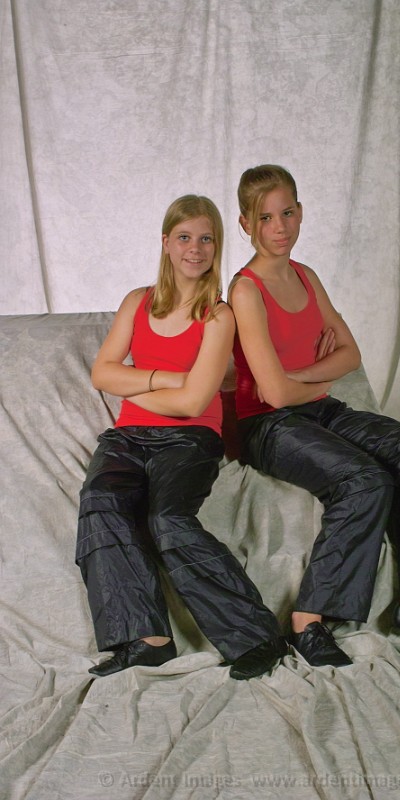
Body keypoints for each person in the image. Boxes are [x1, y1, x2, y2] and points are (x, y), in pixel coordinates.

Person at [228, 165, 400, 668]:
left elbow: (350, 354)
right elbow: (274, 395)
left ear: (301, 212)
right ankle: (308, 620)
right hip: (267, 425)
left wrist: (301, 376)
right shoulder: (246, 291)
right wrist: (309, 377)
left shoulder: (307, 276)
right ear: (245, 224)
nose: (279, 227)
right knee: (365, 479)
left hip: (320, 409)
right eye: (265, 218)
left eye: (287, 213)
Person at [76, 194, 287, 680]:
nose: (195, 248)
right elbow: (102, 374)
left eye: (206, 239)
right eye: (185, 237)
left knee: (167, 518)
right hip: (127, 438)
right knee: (102, 502)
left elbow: (193, 404)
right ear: (166, 242)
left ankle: (257, 637)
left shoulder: (218, 316)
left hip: (190, 439)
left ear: (217, 246)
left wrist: (135, 382)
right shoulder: (137, 302)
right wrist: (168, 379)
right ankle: (147, 640)